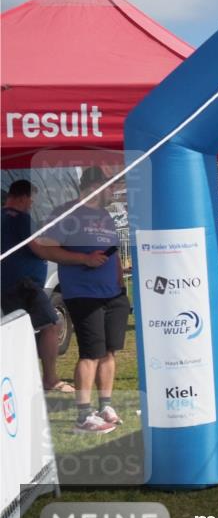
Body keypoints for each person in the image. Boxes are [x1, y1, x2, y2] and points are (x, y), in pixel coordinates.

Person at [36, 167, 128, 434]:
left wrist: (120, 285)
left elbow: (113, 255)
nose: (113, 192)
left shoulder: (106, 216)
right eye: (109, 187)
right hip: (84, 294)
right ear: (94, 187)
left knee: (110, 351)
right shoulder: (67, 213)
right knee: (90, 353)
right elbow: (45, 246)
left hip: (113, 294)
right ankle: (83, 415)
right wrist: (84, 259)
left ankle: (106, 405)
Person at [1, 180, 74, 396]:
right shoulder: (21, 219)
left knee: (21, 331)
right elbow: (40, 249)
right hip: (24, 285)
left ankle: (21, 377)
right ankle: (50, 379)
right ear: (22, 198)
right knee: (52, 324)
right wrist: (72, 256)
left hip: (10, 284)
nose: (31, 205)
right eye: (30, 200)